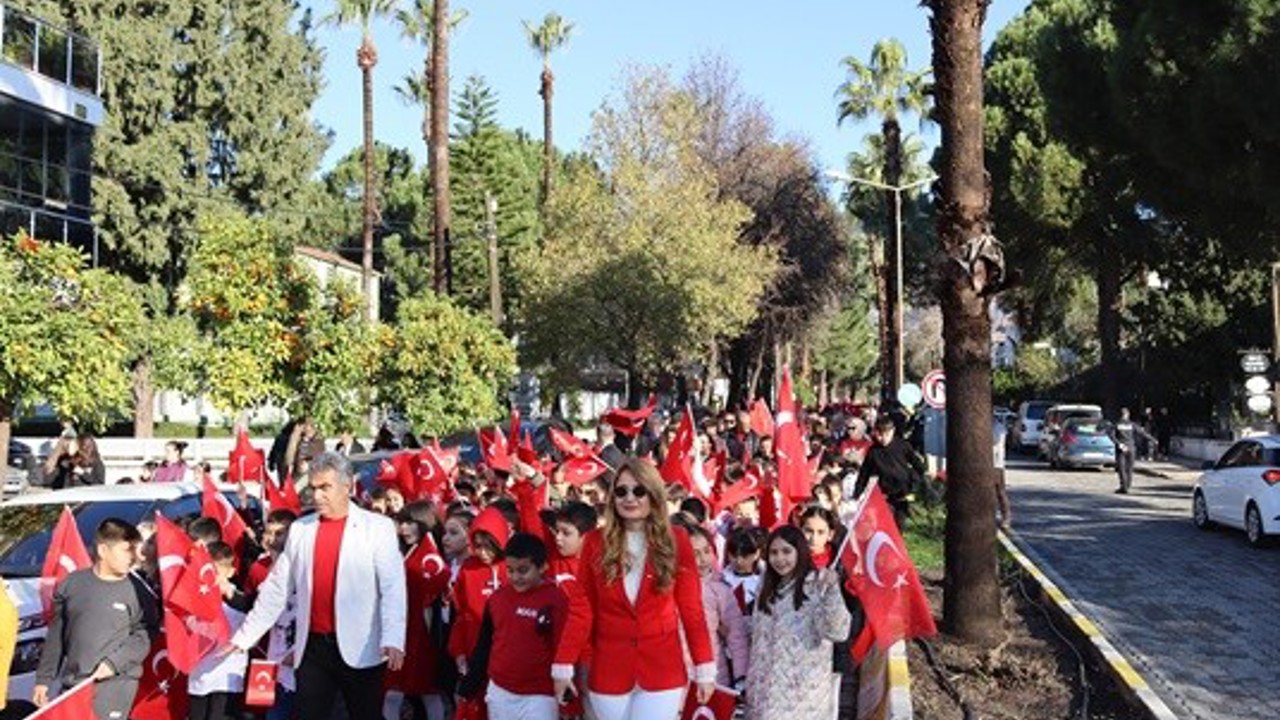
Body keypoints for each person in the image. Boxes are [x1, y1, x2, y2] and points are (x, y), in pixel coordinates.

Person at [228, 452, 407, 719]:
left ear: (347, 487)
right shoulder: (301, 529)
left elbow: (393, 587)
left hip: (362, 645)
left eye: (326, 487)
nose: (318, 495)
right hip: (312, 647)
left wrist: (393, 637)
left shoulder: (377, 528)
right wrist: (244, 636)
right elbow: (277, 588)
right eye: (313, 488)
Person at [552, 458, 716, 720]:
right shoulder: (595, 542)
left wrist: (705, 668)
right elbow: (581, 610)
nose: (629, 498)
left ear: (653, 495)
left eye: (639, 491)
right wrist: (563, 665)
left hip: (662, 669)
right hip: (609, 669)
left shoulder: (678, 541)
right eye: (621, 491)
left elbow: (692, 609)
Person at [33, 518, 158, 720]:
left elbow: (145, 635)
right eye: (127, 550)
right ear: (103, 551)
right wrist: (43, 679)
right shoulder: (72, 584)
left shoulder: (139, 591)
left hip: (116, 685)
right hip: (74, 685)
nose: (133, 557)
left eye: (135, 550)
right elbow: (56, 634)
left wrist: (114, 663)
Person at [459, 533, 569, 720]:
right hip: (500, 690)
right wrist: (470, 683)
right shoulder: (497, 599)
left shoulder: (557, 600)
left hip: (540, 694)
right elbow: (485, 644)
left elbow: (563, 649)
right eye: (510, 570)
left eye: (523, 570)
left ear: (542, 567)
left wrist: (568, 698)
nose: (516, 576)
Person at [745, 525, 852, 720]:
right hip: (762, 692)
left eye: (786, 551)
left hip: (801, 696)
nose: (780, 559)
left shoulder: (817, 585)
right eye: (774, 553)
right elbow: (757, 635)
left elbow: (838, 632)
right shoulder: (765, 587)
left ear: (800, 552)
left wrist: (832, 592)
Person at [188, 542, 250, 720]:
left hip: (227, 677)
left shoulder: (240, 600)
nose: (212, 578)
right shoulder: (194, 598)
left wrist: (229, 595)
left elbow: (251, 622)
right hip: (199, 674)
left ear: (230, 571)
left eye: (217, 572)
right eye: (208, 572)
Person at [686, 525, 750, 690]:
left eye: (707, 551)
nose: (703, 559)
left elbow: (737, 636)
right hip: (676, 678)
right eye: (695, 554)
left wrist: (741, 677)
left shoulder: (720, 588)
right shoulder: (666, 588)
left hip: (713, 677)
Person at [855, 416, 926, 529]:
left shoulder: (903, 445)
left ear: (892, 431)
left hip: (903, 492)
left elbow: (917, 464)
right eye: (879, 435)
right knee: (885, 523)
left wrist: (918, 480)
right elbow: (864, 474)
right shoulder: (873, 452)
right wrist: (857, 494)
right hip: (885, 494)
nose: (882, 438)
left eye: (885, 435)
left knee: (899, 525)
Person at [1108, 408, 1153, 495]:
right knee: (1129, 469)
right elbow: (1142, 433)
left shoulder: (1116, 424)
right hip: (1131, 448)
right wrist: (1152, 439)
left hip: (1121, 448)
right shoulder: (1132, 424)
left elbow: (1112, 435)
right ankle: (1127, 486)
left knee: (1122, 469)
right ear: (1128, 415)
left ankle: (1124, 487)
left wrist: (1119, 444)